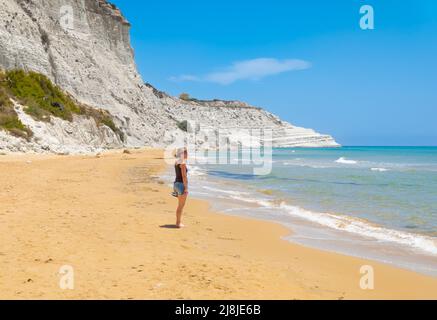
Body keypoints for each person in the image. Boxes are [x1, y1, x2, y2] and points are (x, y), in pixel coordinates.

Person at [173, 147, 188, 228]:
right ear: (182, 154)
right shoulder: (183, 163)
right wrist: (186, 188)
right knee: (181, 206)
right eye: (186, 152)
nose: (187, 154)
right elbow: (184, 176)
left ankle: (178, 222)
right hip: (181, 185)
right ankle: (178, 223)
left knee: (179, 205)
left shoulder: (176, 162)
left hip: (176, 184)